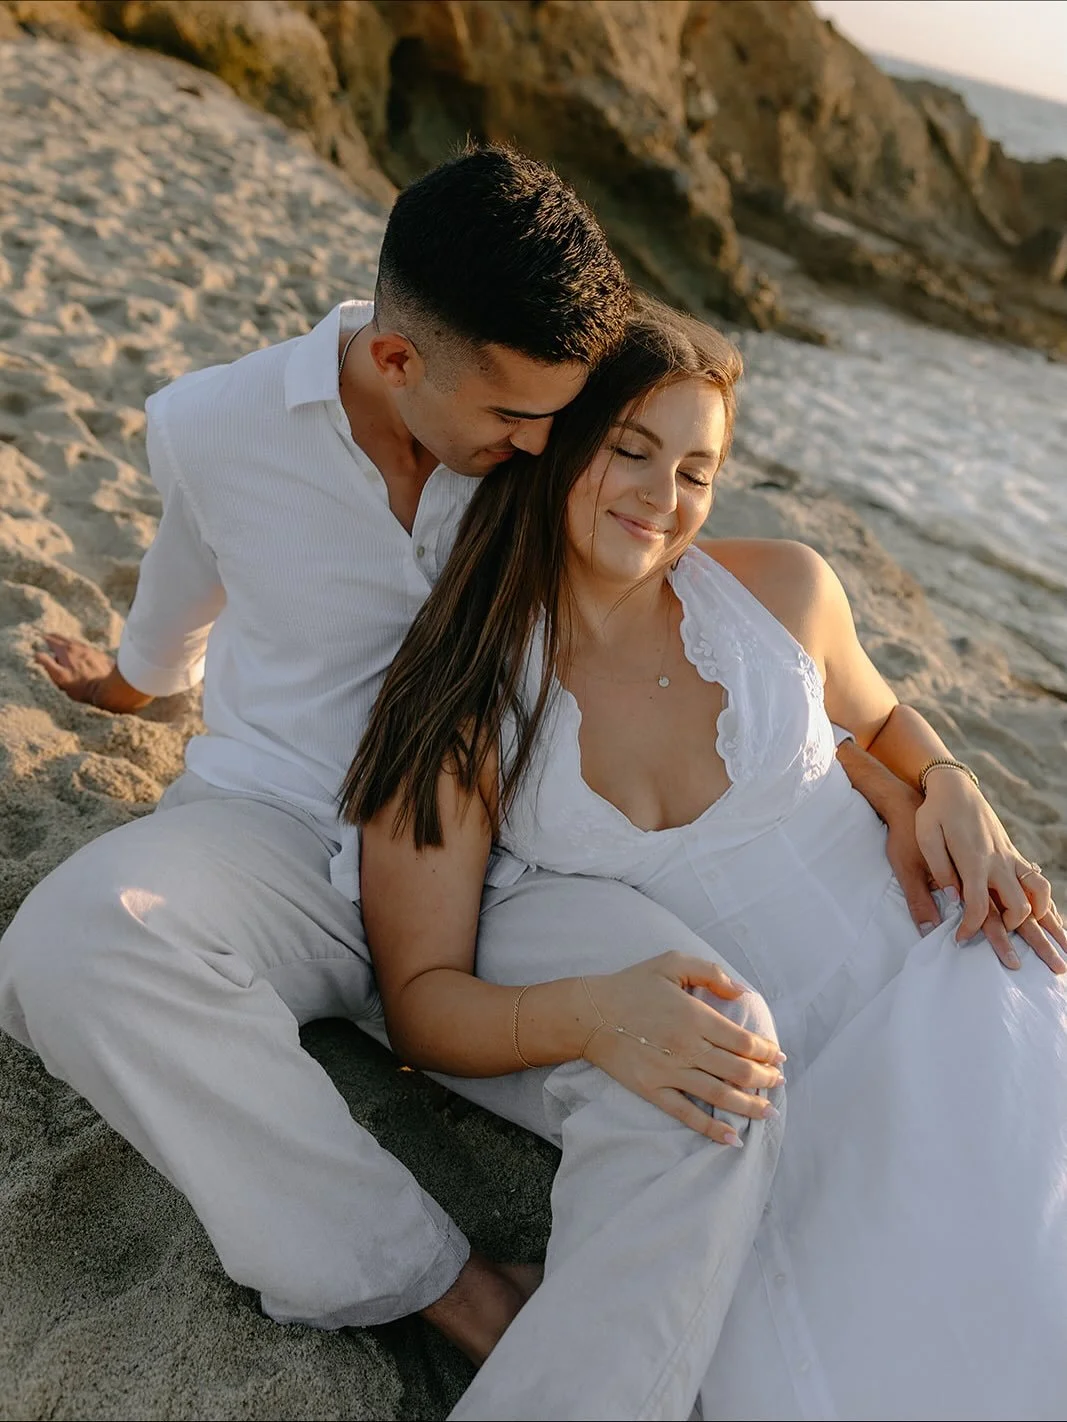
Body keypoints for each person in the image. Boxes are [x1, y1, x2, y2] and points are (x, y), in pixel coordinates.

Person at [0, 144, 917, 1371]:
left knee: (704, 1054)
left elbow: (723, 641)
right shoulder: (214, 428)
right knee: (72, 944)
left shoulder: (553, 442)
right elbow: (178, 607)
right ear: (394, 360)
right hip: (280, 831)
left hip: (523, 870)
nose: (549, 448)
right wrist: (125, 687)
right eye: (517, 419)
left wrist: (928, 777)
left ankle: (600, 1361)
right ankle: (444, 1287)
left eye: (566, 416)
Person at [348, 297, 1067, 1421]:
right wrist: (588, 1017)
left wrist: (950, 785)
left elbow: (882, 725)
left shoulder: (781, 587)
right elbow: (421, 1005)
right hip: (770, 1098)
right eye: (630, 450)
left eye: (696, 469)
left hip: (955, 985)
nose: (660, 495)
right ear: (556, 441)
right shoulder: (466, 702)